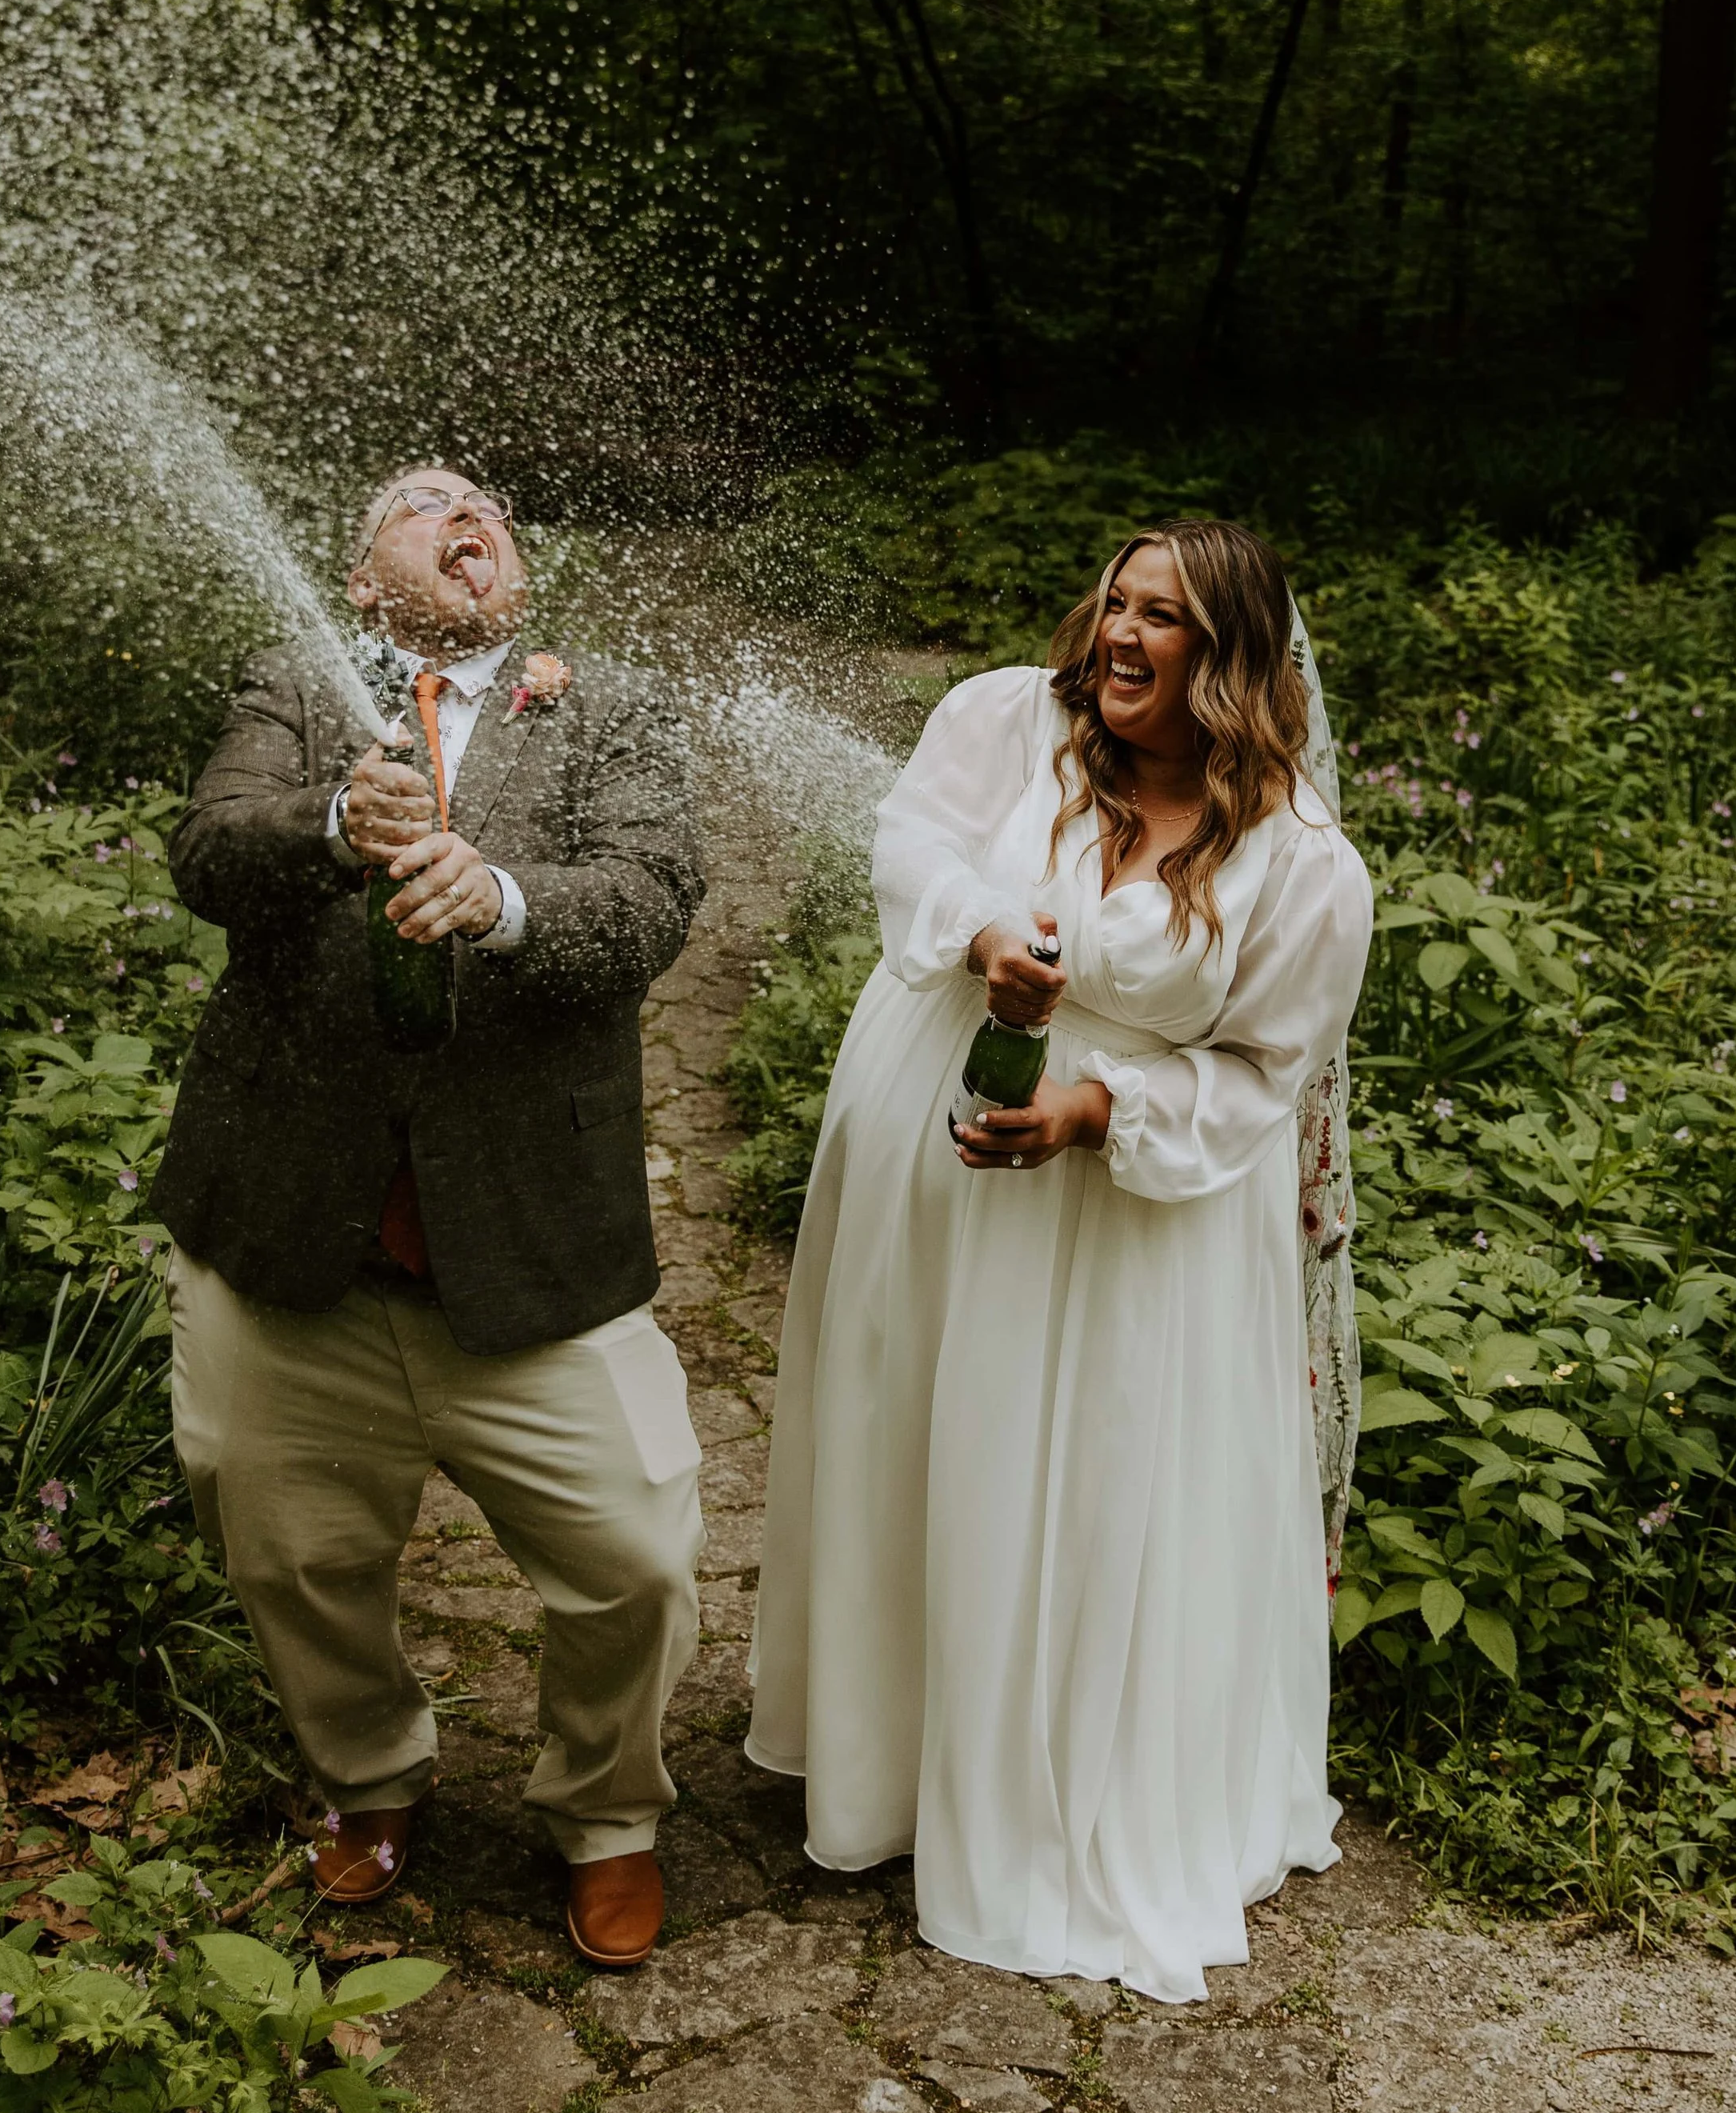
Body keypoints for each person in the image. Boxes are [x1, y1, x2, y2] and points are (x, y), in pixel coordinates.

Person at [747, 519, 1374, 2003]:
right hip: (942, 1153)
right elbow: (908, 834)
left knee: (1098, 1486)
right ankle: (900, 1763)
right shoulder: (1002, 722)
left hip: (1140, 1216)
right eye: (1117, 602)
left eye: (1164, 619)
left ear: (1228, 663)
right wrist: (977, 931)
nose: (1119, 635)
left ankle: (1057, 1795)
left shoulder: (1304, 867)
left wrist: (1098, 1110)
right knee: (928, 1441)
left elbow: (1261, 1073)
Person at [154, 463, 706, 1969]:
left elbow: (656, 889)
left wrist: (506, 900)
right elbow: (211, 847)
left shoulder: (606, 705)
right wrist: (334, 818)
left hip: (529, 1236)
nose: (469, 512)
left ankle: (604, 1810)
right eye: (419, 501)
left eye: (488, 504)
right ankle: (367, 1776)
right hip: (295, 1231)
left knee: (638, 1547)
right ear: (359, 578)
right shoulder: (295, 682)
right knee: (284, 1543)